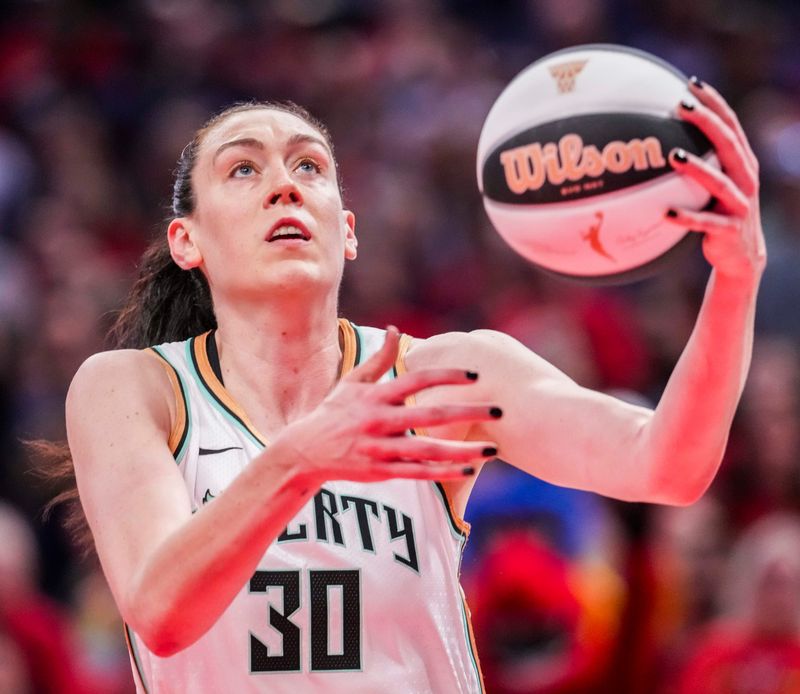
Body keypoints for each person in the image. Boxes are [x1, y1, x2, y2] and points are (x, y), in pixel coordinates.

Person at [64, 76, 764, 693]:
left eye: (309, 165)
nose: (284, 183)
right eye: (243, 170)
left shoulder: (439, 378)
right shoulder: (134, 390)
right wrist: (302, 458)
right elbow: (160, 612)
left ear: (346, 231)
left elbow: (668, 465)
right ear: (188, 241)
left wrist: (734, 280)